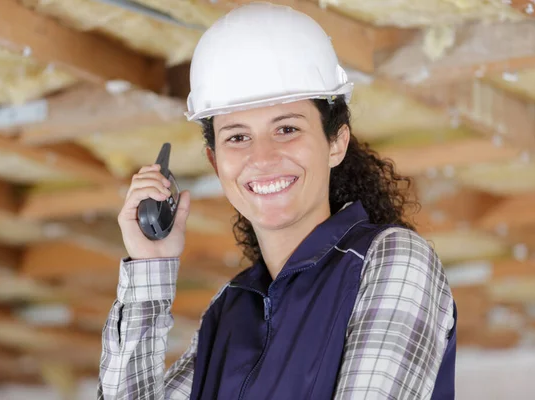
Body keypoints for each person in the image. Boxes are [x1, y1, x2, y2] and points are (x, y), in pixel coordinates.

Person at [97, 3, 456, 399]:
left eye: (286, 128)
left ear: (336, 142)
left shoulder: (392, 259)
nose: (262, 158)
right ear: (216, 162)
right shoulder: (229, 311)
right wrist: (150, 272)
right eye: (237, 136)